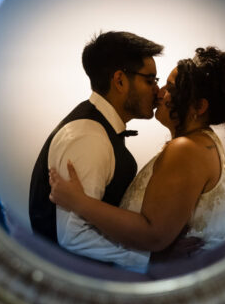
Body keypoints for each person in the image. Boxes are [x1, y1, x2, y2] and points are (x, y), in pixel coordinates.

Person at [49, 47, 225, 269]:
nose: (160, 92)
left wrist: (80, 202)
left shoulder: (187, 149)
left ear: (199, 107)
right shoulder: (200, 143)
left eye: (172, 88)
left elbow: (153, 234)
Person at [28, 31, 163, 272]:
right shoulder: (89, 137)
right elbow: (74, 237)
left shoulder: (96, 128)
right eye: (150, 80)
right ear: (120, 80)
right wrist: (150, 260)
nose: (158, 90)